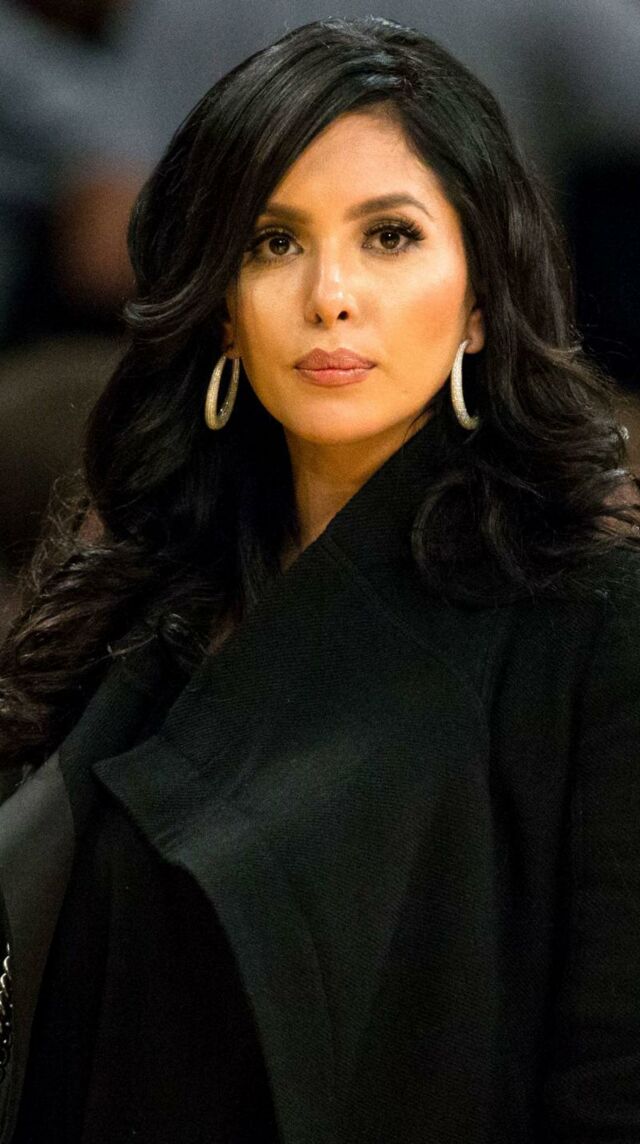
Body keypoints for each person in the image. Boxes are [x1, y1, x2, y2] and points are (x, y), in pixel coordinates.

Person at [0, 15, 639, 1143]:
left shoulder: (589, 617)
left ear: (481, 298)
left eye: (389, 236)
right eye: (272, 241)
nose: (330, 294)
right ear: (221, 308)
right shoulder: (144, 591)